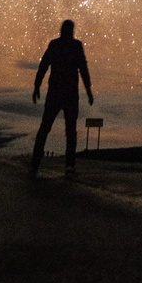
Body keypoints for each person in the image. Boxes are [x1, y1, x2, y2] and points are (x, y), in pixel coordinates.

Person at [30, 19, 93, 176]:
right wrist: (88, 90)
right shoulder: (74, 46)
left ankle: (35, 166)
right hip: (68, 94)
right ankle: (68, 166)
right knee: (68, 131)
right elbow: (83, 68)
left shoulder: (56, 45)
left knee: (46, 129)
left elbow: (44, 65)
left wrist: (37, 86)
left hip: (57, 93)